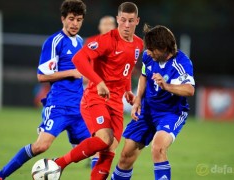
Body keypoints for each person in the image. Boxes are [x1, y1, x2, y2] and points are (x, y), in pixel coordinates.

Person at [0, 0, 90, 179]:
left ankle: (56, 164)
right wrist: (71, 72)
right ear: (63, 19)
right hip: (59, 105)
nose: (75, 24)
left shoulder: (80, 41)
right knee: (40, 146)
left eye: (79, 20)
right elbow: (42, 76)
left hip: (79, 106)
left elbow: (81, 72)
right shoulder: (54, 42)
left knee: (94, 147)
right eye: (71, 19)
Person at [54, 2, 143, 180]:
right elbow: (79, 59)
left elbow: (125, 69)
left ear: (137, 21)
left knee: (109, 149)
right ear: (118, 19)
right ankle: (58, 164)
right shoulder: (106, 40)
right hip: (96, 97)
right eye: (123, 20)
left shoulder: (138, 44)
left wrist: (127, 90)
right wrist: (98, 81)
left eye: (131, 21)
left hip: (117, 101)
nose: (126, 25)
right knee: (104, 139)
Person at [111, 24, 195, 180]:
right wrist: (138, 100)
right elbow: (144, 76)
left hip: (170, 113)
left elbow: (189, 89)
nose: (147, 51)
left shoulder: (181, 63)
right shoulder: (148, 57)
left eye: (151, 48)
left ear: (163, 47)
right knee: (125, 156)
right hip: (147, 110)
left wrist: (166, 85)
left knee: (158, 148)